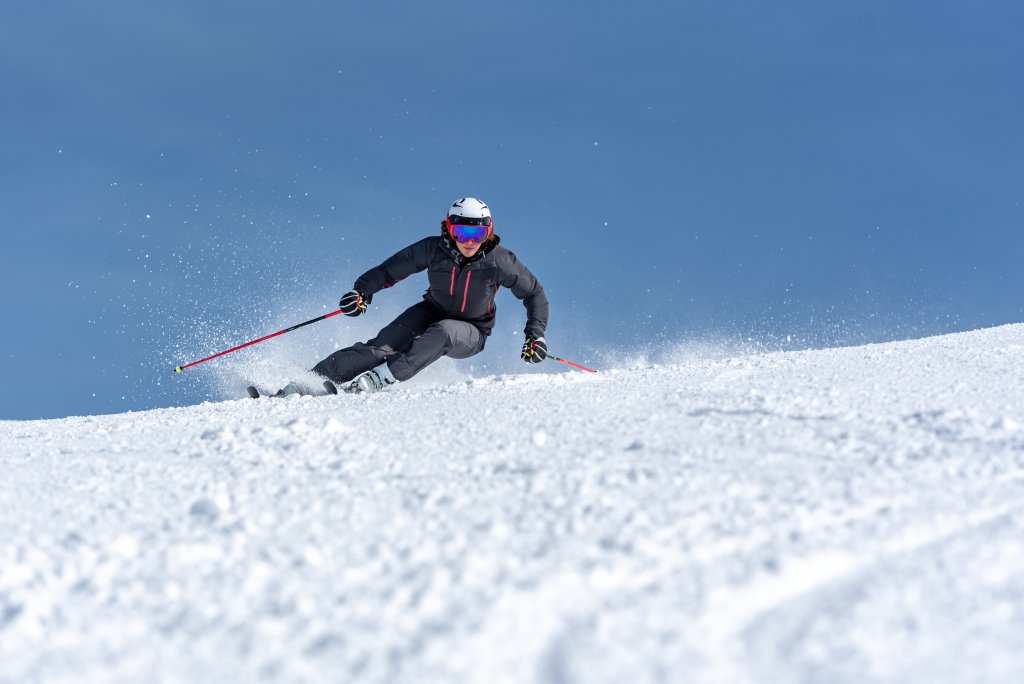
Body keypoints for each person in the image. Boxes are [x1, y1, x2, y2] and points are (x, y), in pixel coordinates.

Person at [307, 198, 549, 395]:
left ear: (489, 232)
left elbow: (534, 293)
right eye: (462, 233)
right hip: (430, 310)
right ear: (449, 229)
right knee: (381, 347)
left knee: (443, 331)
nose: (470, 242)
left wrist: (535, 336)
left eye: (478, 234)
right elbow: (389, 271)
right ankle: (312, 380)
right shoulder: (434, 250)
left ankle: (379, 379)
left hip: (473, 330)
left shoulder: (500, 261)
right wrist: (361, 292)